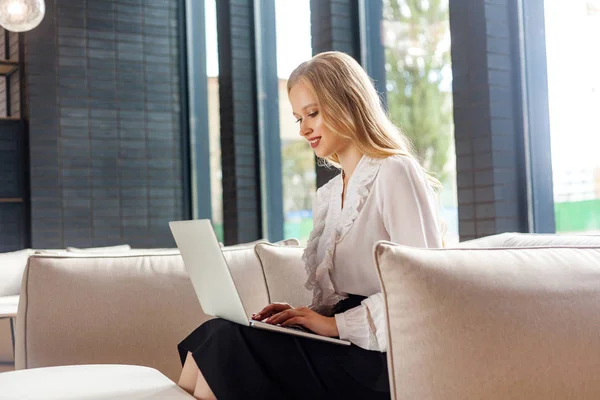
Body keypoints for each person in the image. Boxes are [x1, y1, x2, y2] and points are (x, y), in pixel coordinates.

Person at [176, 51, 443, 400]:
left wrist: (333, 325)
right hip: (345, 345)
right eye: (298, 117)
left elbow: (423, 292)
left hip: (384, 362)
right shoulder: (330, 194)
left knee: (227, 345)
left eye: (312, 114)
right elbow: (341, 299)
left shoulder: (394, 171)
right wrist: (306, 316)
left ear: (347, 102)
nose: (303, 129)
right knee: (215, 332)